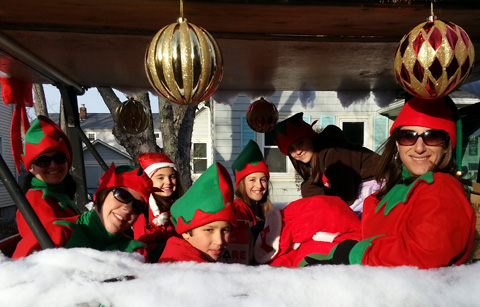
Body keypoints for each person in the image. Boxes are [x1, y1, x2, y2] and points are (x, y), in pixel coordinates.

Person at [300, 96, 476, 269]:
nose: (420, 147)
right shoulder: (391, 190)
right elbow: (371, 237)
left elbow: (425, 252)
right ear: (398, 144)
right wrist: (335, 244)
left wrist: (352, 253)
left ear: (446, 146)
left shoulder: (441, 187)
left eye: (432, 136)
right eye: (408, 136)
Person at [272, 112, 381, 217]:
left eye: (301, 143)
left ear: (311, 139)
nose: (298, 151)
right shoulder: (315, 163)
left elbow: (346, 197)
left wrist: (309, 190)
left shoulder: (334, 150)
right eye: (291, 149)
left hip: (384, 184)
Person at [13, 115, 81, 259]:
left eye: (59, 158)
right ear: (31, 167)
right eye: (43, 161)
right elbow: (56, 242)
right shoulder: (37, 199)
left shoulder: (60, 194)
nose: (53, 165)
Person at [51, 163, 153, 258]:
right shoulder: (59, 232)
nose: (128, 209)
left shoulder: (135, 252)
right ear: (102, 194)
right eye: (123, 196)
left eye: (138, 206)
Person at [158, 162, 236, 263]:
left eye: (225, 230)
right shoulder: (192, 272)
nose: (220, 241)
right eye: (209, 230)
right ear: (186, 232)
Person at [220, 139, 272, 264]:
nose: (259, 185)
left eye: (263, 180)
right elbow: (237, 255)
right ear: (241, 183)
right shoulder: (239, 209)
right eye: (252, 180)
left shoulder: (257, 207)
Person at [133, 152, 184, 262]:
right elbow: (143, 248)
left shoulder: (177, 205)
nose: (168, 182)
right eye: (160, 178)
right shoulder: (145, 212)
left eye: (172, 177)